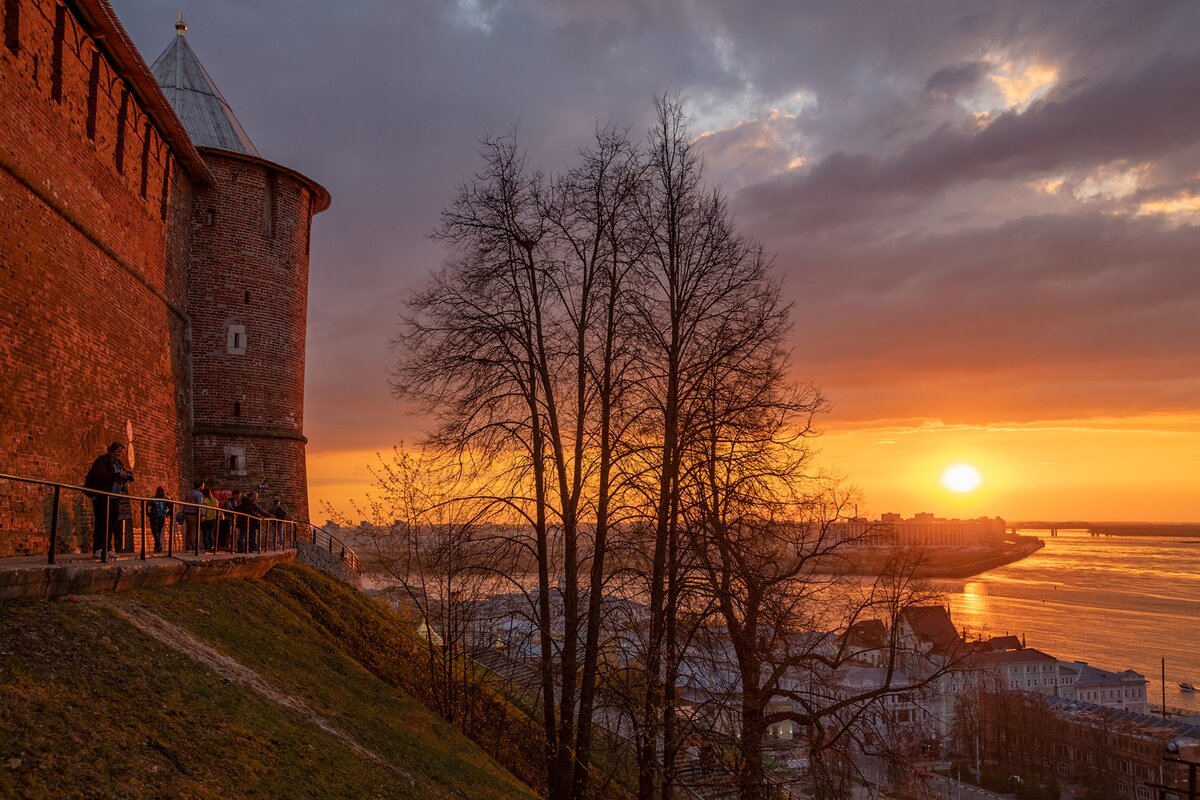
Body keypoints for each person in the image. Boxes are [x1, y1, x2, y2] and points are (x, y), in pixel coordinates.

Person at [83, 442, 133, 559]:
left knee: (111, 523)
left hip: (115, 497)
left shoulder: (118, 463)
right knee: (101, 522)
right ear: (112, 450)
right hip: (103, 496)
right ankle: (98, 548)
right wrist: (117, 475)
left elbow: (118, 477)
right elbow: (99, 475)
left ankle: (108, 548)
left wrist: (126, 476)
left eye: (121, 452)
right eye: (118, 452)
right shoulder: (102, 461)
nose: (119, 454)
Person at [182, 480, 204, 552]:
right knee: (194, 531)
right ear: (200, 486)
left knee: (188, 530)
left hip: (187, 513)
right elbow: (199, 505)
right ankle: (194, 546)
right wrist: (202, 514)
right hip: (194, 514)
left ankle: (188, 546)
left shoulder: (188, 493)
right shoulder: (199, 494)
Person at [147, 486, 169, 553]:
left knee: (155, 532)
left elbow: (145, 505)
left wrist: (148, 514)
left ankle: (158, 545)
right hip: (162, 518)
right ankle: (156, 548)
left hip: (153, 517)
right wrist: (167, 514)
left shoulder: (153, 499)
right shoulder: (166, 499)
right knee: (158, 532)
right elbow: (171, 507)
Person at [200, 487, 219, 553]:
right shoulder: (215, 500)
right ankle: (212, 547)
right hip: (213, 518)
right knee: (211, 533)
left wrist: (202, 516)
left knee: (205, 534)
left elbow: (203, 510)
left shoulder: (204, 500)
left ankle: (206, 548)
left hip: (206, 518)